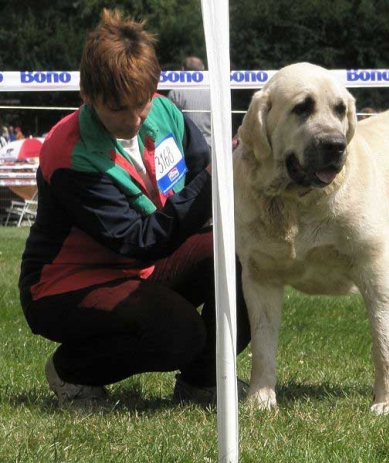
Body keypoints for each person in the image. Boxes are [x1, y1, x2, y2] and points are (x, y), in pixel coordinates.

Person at [18, 9, 250, 407]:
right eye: (116, 108)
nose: (134, 118)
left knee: (248, 261)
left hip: (142, 267)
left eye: (141, 102)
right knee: (179, 332)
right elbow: (138, 239)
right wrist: (216, 178)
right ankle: (70, 372)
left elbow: (200, 176)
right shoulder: (67, 153)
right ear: (86, 96)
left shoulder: (166, 112)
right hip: (65, 285)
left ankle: (201, 382)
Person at [168, 56, 212, 149]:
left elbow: (169, 122)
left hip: (186, 149)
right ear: (203, 70)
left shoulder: (176, 92)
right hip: (211, 146)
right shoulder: (213, 92)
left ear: (183, 70)